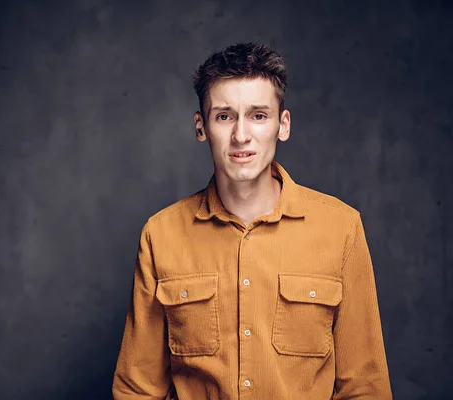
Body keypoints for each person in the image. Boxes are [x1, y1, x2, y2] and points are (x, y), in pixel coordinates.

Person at [112, 42, 392, 399]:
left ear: (282, 124)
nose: (241, 135)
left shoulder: (342, 229)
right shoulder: (161, 234)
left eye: (258, 115)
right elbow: (137, 389)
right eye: (224, 116)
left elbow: (366, 387)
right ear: (201, 128)